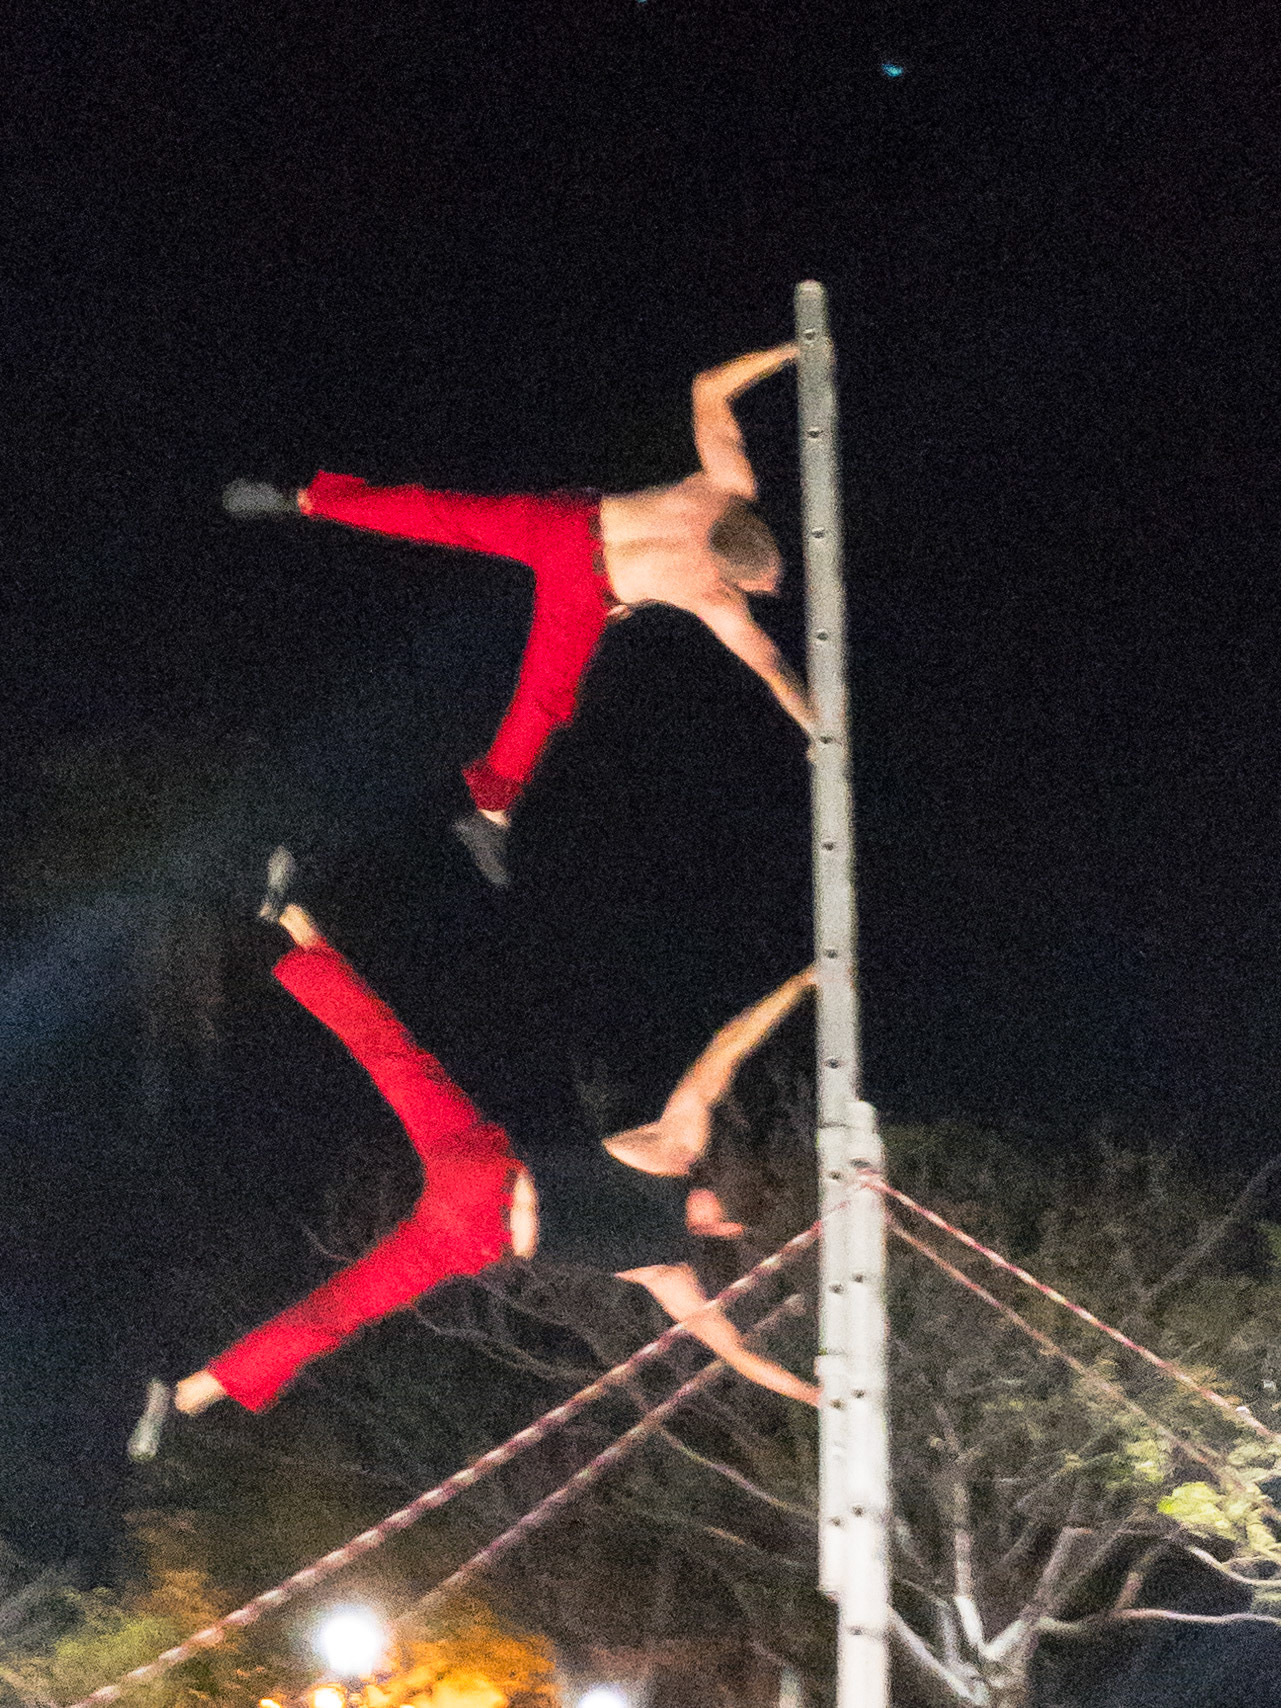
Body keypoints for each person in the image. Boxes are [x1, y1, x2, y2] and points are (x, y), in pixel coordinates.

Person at [128, 858, 817, 1457]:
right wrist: (804, 983)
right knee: (344, 1293)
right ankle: (291, 916)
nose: (710, 1194)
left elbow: (737, 1352)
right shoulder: (671, 1251)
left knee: (389, 1069)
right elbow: (730, 1047)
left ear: (722, 1219)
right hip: (474, 1218)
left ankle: (189, 1394)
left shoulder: (674, 1180)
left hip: (476, 1198)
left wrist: (812, 1395)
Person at [223, 344, 810, 886]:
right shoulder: (716, 596)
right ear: (728, 573)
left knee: (441, 515)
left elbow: (708, 386)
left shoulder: (727, 485)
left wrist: (792, 351)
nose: (769, 589)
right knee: (543, 698)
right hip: (583, 590)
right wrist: (816, 727)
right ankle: (489, 813)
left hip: (564, 526)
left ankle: (307, 500)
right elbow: (772, 667)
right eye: (759, 585)